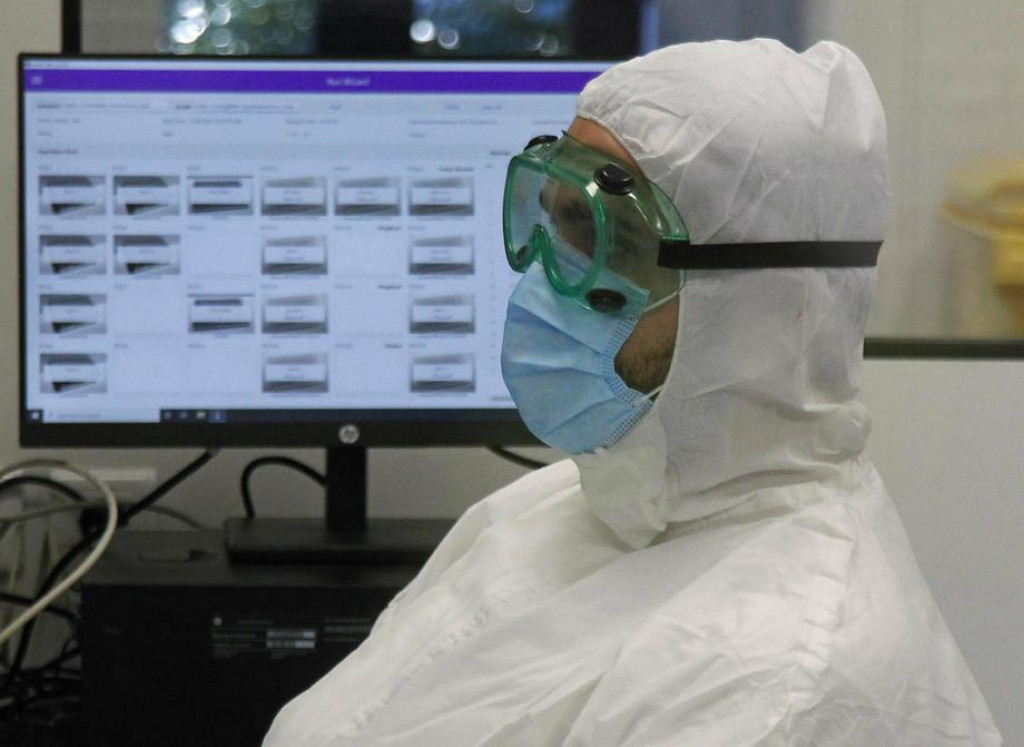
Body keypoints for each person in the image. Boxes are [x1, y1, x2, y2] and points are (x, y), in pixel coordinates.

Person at [264, 39, 1002, 745]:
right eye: (552, 221)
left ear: (777, 304)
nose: (544, 280)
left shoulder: (779, 685)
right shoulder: (553, 508)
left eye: (604, 235)